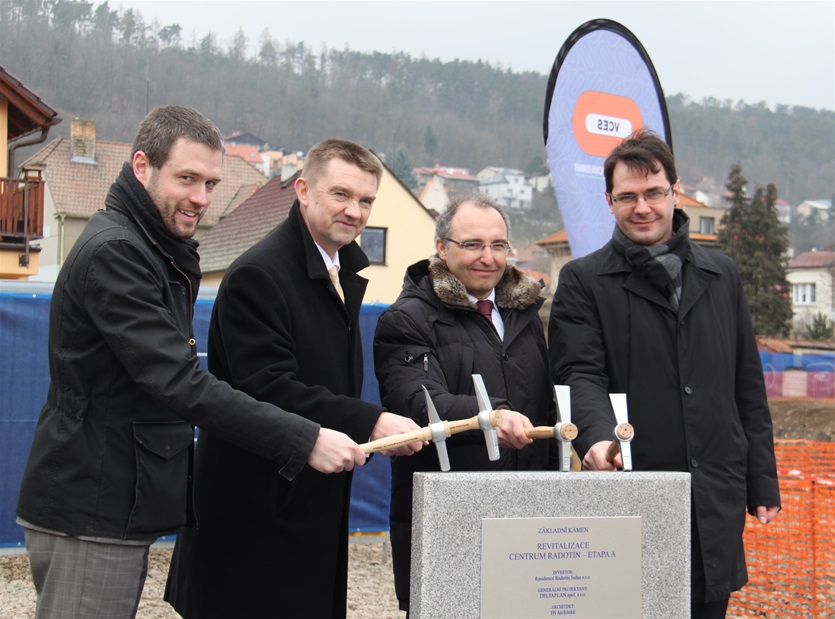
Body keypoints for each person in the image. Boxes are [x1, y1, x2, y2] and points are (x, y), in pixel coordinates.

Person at [15, 106, 368, 619]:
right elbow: (179, 382)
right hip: (89, 504)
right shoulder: (117, 252)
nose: (201, 198)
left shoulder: (153, 248)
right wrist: (305, 437)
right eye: (187, 179)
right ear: (142, 167)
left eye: (211, 183)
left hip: (112, 500)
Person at [164, 138, 424, 619]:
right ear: (303, 189)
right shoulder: (258, 275)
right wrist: (371, 421)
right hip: (253, 517)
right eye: (341, 194)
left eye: (366, 200)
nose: (355, 210)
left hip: (307, 503)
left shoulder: (341, 269)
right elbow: (265, 387)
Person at [548, 129, 781, 619]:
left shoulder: (723, 275)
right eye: (627, 197)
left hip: (715, 491)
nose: (643, 207)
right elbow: (579, 374)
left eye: (654, 193)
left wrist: (762, 482)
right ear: (609, 201)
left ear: (675, 193)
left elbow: (747, 384)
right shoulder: (584, 281)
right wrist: (593, 438)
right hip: (634, 483)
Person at [374, 192, 557, 613]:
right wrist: (490, 416)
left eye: (498, 245)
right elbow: (419, 405)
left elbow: (547, 408)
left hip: (528, 518)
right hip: (451, 519)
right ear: (441, 248)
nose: (488, 258)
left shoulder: (526, 317)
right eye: (472, 244)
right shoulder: (406, 319)